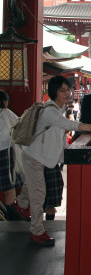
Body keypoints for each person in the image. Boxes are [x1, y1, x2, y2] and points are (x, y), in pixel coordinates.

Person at [13, 76, 91, 246]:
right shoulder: (50, 111)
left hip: (36, 155)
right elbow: (67, 124)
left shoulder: (57, 108)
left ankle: (22, 204)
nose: (67, 93)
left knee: (31, 186)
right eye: (62, 90)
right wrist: (89, 126)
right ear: (53, 92)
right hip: (34, 157)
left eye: (68, 89)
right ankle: (37, 232)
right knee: (39, 193)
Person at [0, 90, 26, 221]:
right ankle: (12, 215)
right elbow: (21, 126)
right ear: (4, 102)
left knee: (8, 186)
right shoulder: (7, 114)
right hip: (5, 152)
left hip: (5, 151)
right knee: (8, 187)